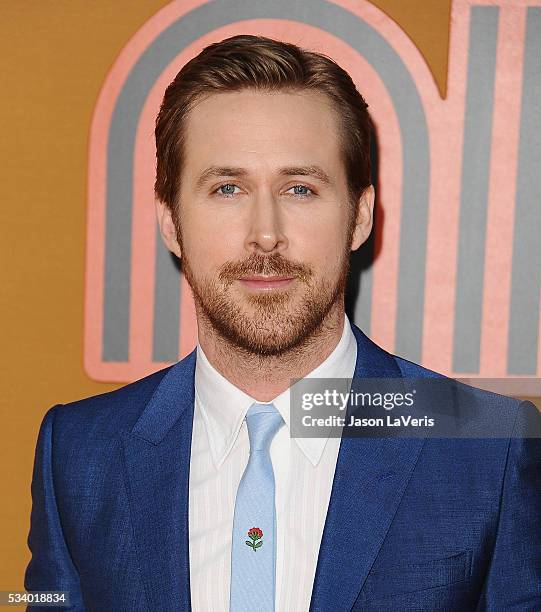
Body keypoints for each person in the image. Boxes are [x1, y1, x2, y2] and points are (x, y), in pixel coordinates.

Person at [25, 35, 540, 611]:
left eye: (299, 188)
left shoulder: (489, 449)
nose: (265, 233)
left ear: (360, 216)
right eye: (227, 188)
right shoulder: (79, 451)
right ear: (171, 222)